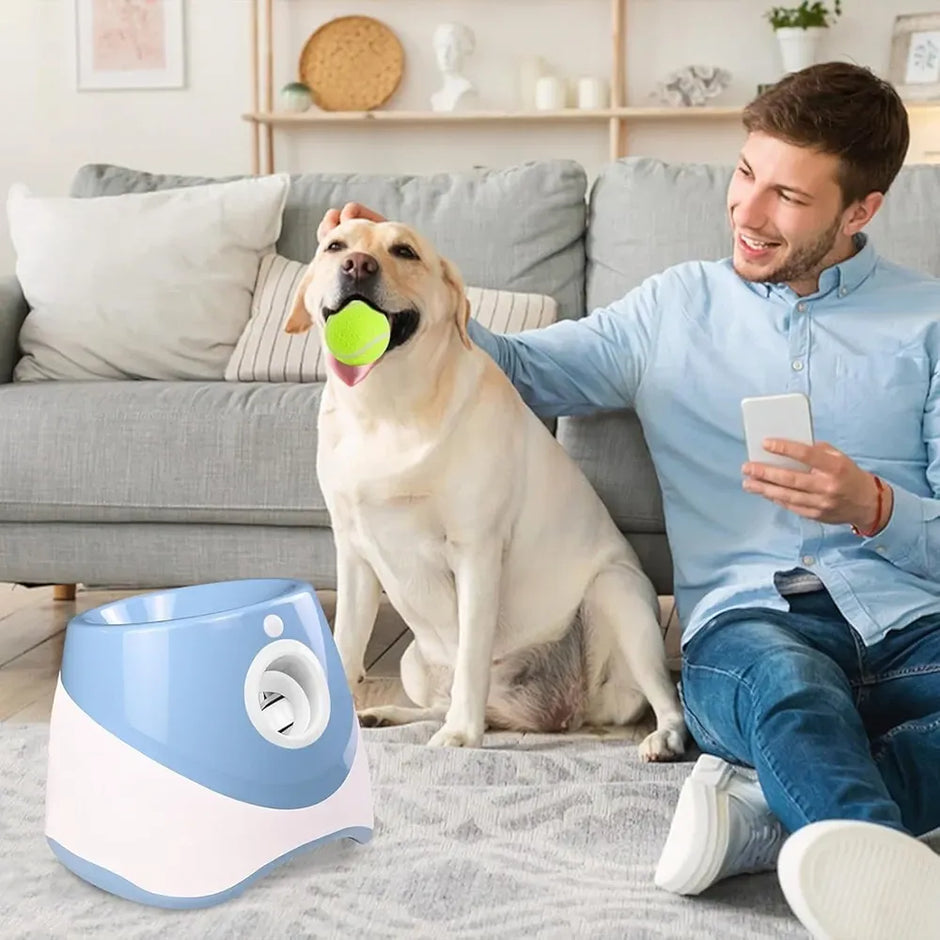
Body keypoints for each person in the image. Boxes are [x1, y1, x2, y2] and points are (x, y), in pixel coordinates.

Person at [317, 62, 940, 940]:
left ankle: (762, 817)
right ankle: (879, 886)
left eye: (790, 198)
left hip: (911, 622)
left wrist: (874, 505)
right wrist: (392, 283)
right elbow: (515, 369)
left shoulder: (927, 322)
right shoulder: (672, 309)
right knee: (794, 696)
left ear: (860, 212)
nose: (749, 212)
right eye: (745, 174)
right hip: (751, 626)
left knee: (813, 729)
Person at [430, 23, 477, 112]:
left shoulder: (466, 91)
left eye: (451, 48)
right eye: (441, 47)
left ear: (462, 51)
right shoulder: (436, 97)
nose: (445, 54)